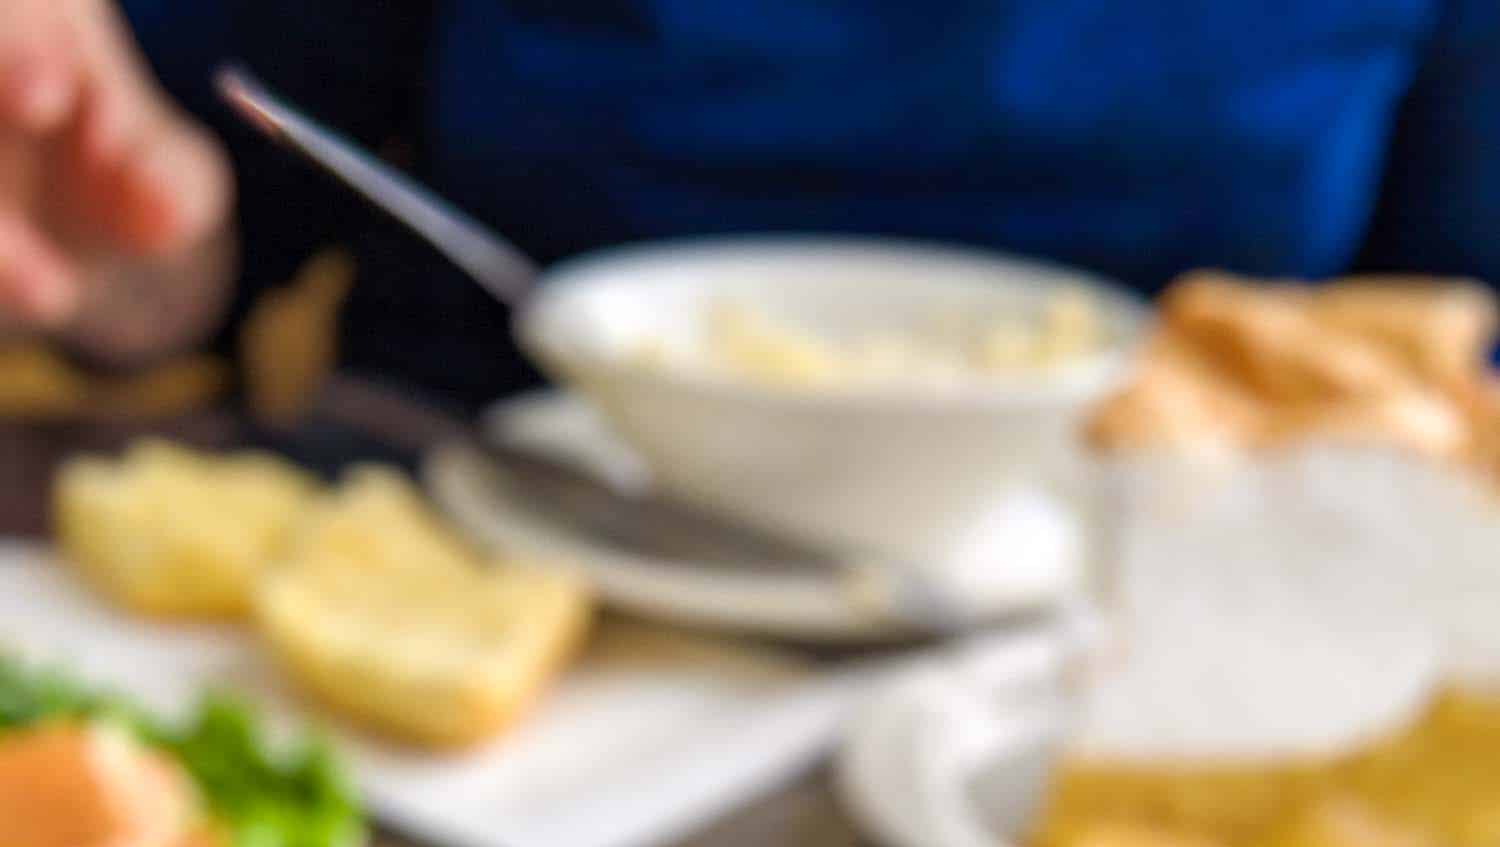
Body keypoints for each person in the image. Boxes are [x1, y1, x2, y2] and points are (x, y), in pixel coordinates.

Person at [3, 0, 1499, 405]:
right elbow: (194, 240)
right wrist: (108, 242)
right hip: (498, 588)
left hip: (1137, 667)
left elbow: (1449, 357)